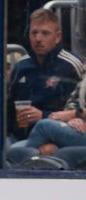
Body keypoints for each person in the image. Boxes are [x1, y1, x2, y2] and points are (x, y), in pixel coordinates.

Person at [7, 8, 84, 143]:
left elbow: (74, 110)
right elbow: (8, 109)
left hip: (54, 137)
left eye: (45, 33)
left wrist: (43, 116)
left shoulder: (71, 65)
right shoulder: (21, 66)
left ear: (58, 37)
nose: (38, 39)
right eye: (34, 33)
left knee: (17, 152)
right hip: (17, 136)